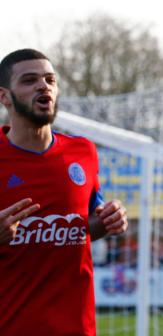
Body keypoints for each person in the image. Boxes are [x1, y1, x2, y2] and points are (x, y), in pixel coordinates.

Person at [0, 48, 128, 335]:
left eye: (49, 79)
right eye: (29, 80)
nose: (43, 86)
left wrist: (108, 220)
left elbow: (83, 228)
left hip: (77, 327)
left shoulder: (83, 152)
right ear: (4, 96)